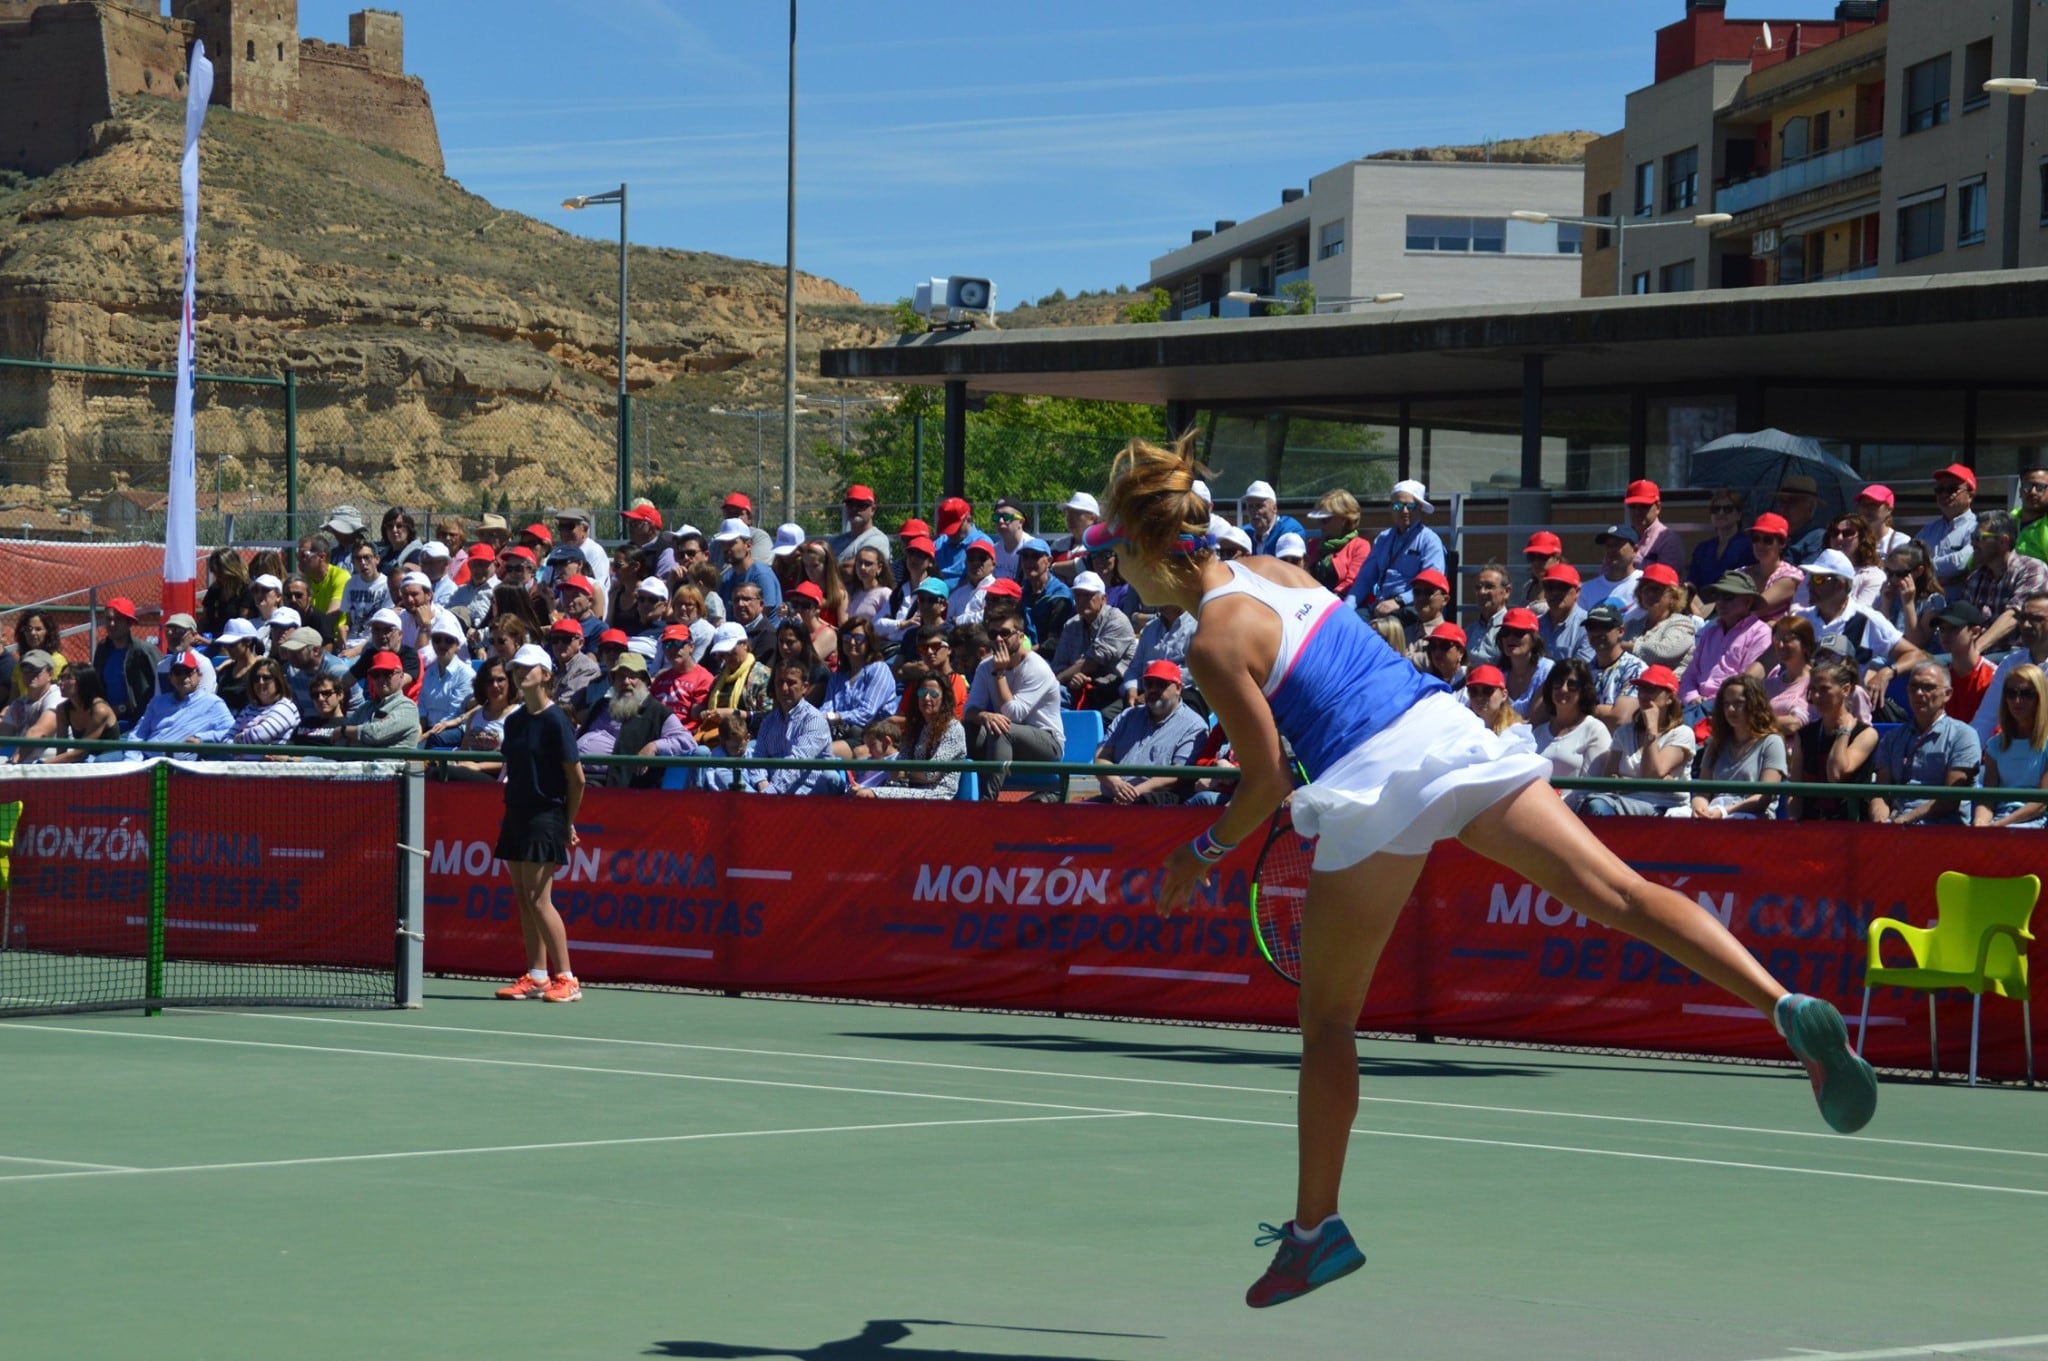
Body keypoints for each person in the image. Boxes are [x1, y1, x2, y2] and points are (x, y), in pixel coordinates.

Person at [1094, 439, 1872, 1311]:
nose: (1120, 577)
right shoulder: (1275, 567)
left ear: (1155, 552)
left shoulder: (1208, 641)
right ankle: (1782, 1004)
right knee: (1620, 893)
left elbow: (1268, 778)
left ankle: (1316, 1232)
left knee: (1329, 1020)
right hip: (1447, 732)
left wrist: (1195, 851)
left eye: (1118, 558)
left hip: (1373, 780)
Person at [491, 644, 585, 1004]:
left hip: (546, 816)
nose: (520, 673)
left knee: (539, 899)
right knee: (523, 898)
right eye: (516, 668)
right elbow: (513, 769)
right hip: (516, 812)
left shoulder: (556, 720)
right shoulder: (514, 721)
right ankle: (537, 976)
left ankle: (567, 978)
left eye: (528, 668)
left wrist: (567, 821)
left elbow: (576, 779)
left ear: (546, 675)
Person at [964, 600, 1064, 800]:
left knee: (1002, 729)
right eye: (993, 634)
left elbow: (1014, 715)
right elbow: (970, 710)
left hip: (1047, 744)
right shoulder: (985, 667)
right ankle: (947, 792)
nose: (999, 639)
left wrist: (1000, 674)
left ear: (1020, 635)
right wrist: (984, 716)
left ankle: (987, 801)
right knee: (965, 729)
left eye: (1005, 633)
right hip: (1006, 740)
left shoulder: (1037, 667)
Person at [1870, 662, 1981, 826]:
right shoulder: (1892, 738)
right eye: (1913, 687)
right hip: (1896, 827)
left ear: (1947, 694)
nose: (1919, 693)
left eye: (1928, 687)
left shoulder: (1963, 736)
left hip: (1940, 831)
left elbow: (1951, 798)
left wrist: (1905, 820)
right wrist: (1880, 821)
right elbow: (1881, 791)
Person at [1088, 660, 1209, 805]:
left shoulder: (1194, 726)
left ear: (1178, 688)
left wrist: (1134, 793)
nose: (1153, 689)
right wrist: (1116, 783)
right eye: (1149, 684)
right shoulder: (1127, 716)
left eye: (1161, 684)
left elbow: (1178, 774)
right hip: (1112, 798)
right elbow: (1101, 758)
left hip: (1155, 805)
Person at [1580, 666, 1694, 817]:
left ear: (1670, 698)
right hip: (1622, 802)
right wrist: (1646, 782)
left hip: (1662, 807)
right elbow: (1608, 779)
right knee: (1593, 804)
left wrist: (1651, 730)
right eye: (1641, 689)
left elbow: (1652, 775)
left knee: (1598, 806)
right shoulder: (1624, 732)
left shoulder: (1682, 733)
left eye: (1651, 689)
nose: (1644, 695)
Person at [1787, 659, 1878, 823]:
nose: (1816, 696)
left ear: (1845, 690)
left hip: (1849, 825)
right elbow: (1795, 790)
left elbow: (1835, 775)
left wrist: (1844, 732)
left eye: (1824, 690)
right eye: (1813, 690)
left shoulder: (1866, 734)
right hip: (1811, 823)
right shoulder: (1805, 734)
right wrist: (1793, 823)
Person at [855, 671, 966, 800]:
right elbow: (901, 762)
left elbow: (931, 773)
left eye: (934, 694)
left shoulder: (953, 728)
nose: (927, 698)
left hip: (937, 793)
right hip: (909, 787)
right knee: (858, 792)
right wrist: (901, 772)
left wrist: (905, 772)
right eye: (922, 693)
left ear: (944, 698)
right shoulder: (915, 728)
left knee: (868, 795)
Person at [1678, 571, 1771, 722]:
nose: (1720, 602)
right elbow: (1690, 674)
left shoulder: (1761, 633)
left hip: (1731, 711)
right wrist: (1692, 698)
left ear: (1747, 602)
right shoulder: (1710, 632)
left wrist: (1709, 703)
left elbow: (1747, 683)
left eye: (1728, 597)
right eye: (1718, 596)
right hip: (1695, 707)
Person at [1689, 676, 1786, 820]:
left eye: (1739, 703)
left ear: (1755, 704)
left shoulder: (1772, 743)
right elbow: (1703, 793)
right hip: (1714, 812)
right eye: (1726, 704)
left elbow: (1764, 797)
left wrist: (1723, 812)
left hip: (1752, 817)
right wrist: (1699, 809)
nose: (1730, 709)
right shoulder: (1715, 744)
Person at [1346, 481, 1443, 618]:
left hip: (1412, 606)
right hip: (1380, 604)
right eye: (1398, 506)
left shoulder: (1430, 541)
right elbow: (1365, 579)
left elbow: (1431, 584)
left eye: (1410, 506)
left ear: (1420, 507)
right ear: (1391, 509)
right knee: (1350, 623)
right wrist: (1346, 608)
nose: (1404, 511)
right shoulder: (1383, 539)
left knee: (1385, 627)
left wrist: (1399, 601)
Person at [1051, 570, 1137, 715]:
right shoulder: (1071, 625)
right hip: (1078, 689)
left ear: (1103, 598)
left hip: (1113, 690)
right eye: (1078, 595)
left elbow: (1092, 662)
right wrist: (1071, 678)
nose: (1082, 600)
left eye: (1088, 595)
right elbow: (1058, 664)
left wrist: (1056, 681)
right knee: (1048, 701)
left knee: (1053, 694)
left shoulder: (1116, 620)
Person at [1973, 663, 2048, 829]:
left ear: (2040, 697)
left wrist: (2001, 825)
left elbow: (2042, 802)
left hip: (2038, 826)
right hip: (2001, 821)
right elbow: (1988, 800)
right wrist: (1980, 824)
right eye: (2011, 693)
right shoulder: (1994, 745)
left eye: (2026, 694)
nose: (2017, 700)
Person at [1961, 510, 2048, 653]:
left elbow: (2014, 615)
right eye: (1972, 537)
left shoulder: (2032, 570)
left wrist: (1974, 650)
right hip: (1982, 661)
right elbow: (1963, 621)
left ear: (2003, 541)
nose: (1973, 543)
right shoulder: (1975, 578)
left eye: (1979, 537)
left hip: (2019, 659)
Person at [747, 660, 838, 795]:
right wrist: (761, 783)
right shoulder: (769, 721)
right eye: (779, 682)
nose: (784, 688)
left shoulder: (814, 719)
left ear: (804, 687)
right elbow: (758, 756)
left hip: (807, 789)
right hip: (769, 788)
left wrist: (769, 793)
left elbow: (797, 762)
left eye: (791, 683)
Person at [1973, 591, 2048, 751]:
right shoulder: (2011, 664)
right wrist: (1966, 758)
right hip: (2018, 753)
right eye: (2023, 618)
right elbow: (1986, 718)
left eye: (2036, 619)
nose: (2026, 625)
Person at [1529, 659, 1610, 804]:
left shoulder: (1595, 731)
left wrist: (1555, 806)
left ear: (1583, 690)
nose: (1563, 689)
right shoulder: (1538, 733)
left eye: (1572, 685)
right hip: (1536, 808)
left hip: (1573, 813)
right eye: (1557, 683)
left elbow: (1589, 788)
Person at [123, 651, 233, 756]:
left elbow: (231, 731)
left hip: (182, 768)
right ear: (170, 677)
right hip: (147, 761)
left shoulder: (213, 703)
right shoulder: (157, 702)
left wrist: (202, 738)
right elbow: (138, 734)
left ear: (199, 675)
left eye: (188, 672)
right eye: (178, 672)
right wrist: (132, 761)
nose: (183, 677)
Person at [822, 620, 897, 755]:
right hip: (841, 733)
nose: (851, 642)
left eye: (858, 638)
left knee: (822, 753)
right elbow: (826, 709)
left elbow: (866, 713)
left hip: (871, 736)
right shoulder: (837, 677)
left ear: (869, 641)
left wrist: (836, 716)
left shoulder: (878, 669)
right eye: (846, 638)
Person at [697, 621, 770, 747]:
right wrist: (707, 714)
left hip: (749, 738)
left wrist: (736, 714)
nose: (727, 656)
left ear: (745, 645)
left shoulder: (763, 675)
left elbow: (769, 717)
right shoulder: (719, 679)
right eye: (723, 653)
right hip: (718, 737)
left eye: (730, 650)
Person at [1123, 602, 1198, 715]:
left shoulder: (1198, 627)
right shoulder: (1150, 628)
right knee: (1111, 713)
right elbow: (1135, 667)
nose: (1159, 600)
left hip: (1181, 692)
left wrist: (1155, 690)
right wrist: (1132, 690)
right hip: (1145, 690)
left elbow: (1193, 673)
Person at [1621, 563, 1696, 672]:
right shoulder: (1633, 625)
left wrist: (1624, 646)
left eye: (1657, 589)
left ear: (1673, 597)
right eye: (1646, 589)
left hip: (1670, 686)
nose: (1650, 594)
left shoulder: (1682, 623)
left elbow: (1665, 651)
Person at [1917, 463, 1979, 593]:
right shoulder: (1927, 530)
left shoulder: (1977, 527)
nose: (1944, 494)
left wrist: (1923, 569)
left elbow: (1961, 562)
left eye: (1952, 489)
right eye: (1939, 490)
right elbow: (1908, 560)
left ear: (1970, 495)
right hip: (1923, 605)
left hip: (1957, 606)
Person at [1583, 604, 1645, 730]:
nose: (1596, 633)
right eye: (1591, 627)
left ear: (1621, 631)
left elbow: (1620, 719)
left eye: (1604, 627)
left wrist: (1581, 710)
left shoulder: (1636, 668)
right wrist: (1607, 710)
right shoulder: (1584, 671)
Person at [417, 616, 476, 748]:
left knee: (431, 739)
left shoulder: (466, 674)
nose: (442, 645)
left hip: (455, 728)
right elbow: (422, 709)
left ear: (457, 646)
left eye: (448, 640)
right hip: (431, 729)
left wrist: (423, 736)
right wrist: (419, 732)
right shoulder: (429, 672)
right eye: (437, 640)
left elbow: (454, 714)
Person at [1932, 602, 1995, 725]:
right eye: (1942, 629)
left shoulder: (1993, 677)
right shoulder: (1940, 679)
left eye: (1954, 628)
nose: (1945, 634)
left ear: (1975, 632)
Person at [1877, 541, 1944, 651]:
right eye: (1889, 572)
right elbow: (1880, 636)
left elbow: (1916, 644)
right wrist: (1886, 604)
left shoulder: (1933, 601)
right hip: (1891, 653)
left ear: (1919, 571)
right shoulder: (1890, 593)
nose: (1893, 579)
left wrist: (1908, 604)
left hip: (1920, 658)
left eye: (1900, 574)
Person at [42, 666, 118, 764]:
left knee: (98, 761)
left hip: (108, 757)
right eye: (61, 677)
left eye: (67, 678)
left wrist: (43, 763)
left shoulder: (100, 710)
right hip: (86, 758)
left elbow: (81, 752)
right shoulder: (62, 710)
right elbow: (61, 750)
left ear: (83, 681)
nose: (60, 683)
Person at [1688, 489, 1753, 598]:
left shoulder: (1749, 546)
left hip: (1734, 604)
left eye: (1727, 509)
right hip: (1702, 608)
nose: (1721, 513)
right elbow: (1692, 583)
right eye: (1715, 509)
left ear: (1739, 515)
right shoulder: (1702, 549)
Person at [225, 659, 300, 754]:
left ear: (277, 680)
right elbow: (226, 740)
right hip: (241, 766)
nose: (260, 682)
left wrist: (238, 738)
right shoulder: (249, 709)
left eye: (266, 678)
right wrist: (239, 743)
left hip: (269, 767)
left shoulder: (285, 707)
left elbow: (259, 736)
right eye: (256, 678)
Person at [1812, 514, 1885, 610]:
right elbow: (1798, 605)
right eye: (1834, 533)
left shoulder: (1874, 576)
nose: (1839, 538)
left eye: (1848, 533)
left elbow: (1860, 615)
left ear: (1862, 538)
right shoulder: (1816, 570)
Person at [0, 650, 61, 763]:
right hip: (26, 766)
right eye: (26, 670)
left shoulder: (57, 696)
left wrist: (14, 763)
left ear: (50, 674)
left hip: (50, 767)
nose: (30, 674)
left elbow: (39, 732)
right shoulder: (18, 703)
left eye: (36, 670)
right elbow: (3, 734)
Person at [1762, 616, 1816, 736]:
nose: (1780, 645)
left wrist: (1755, 722)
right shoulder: (1768, 685)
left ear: (1806, 644)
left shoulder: (1816, 682)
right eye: (1777, 638)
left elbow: (1795, 724)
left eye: (1788, 639)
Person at [1493, 607, 1551, 720]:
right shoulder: (1498, 673)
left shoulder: (1547, 671)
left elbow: (1533, 722)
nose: (1510, 638)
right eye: (1505, 632)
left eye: (1518, 633)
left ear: (1534, 639)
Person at [716, 516, 782, 614]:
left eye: (731, 543)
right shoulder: (727, 578)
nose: (726, 548)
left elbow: (761, 616)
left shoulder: (761, 576)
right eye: (723, 543)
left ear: (748, 545)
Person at [1307, 490, 1368, 595]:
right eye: (1318, 520)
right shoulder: (1313, 544)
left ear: (1344, 519)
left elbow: (1352, 581)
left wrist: (1329, 600)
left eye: (1325, 520)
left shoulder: (1360, 546)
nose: (1320, 525)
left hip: (1341, 602)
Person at [1017, 538, 1075, 647]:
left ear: (1049, 561)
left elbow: (1055, 642)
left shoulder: (1060, 596)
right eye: (1025, 556)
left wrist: (1025, 654)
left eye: (1035, 556)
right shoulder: (1022, 593)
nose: (1029, 561)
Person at [1462, 664, 1533, 752]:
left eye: (1487, 690)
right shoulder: (1468, 728)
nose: (1479, 697)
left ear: (1504, 695)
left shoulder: (1516, 732)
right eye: (1473, 691)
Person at [1745, 512, 1802, 622]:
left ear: (1782, 543)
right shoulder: (1742, 572)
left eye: (1767, 540)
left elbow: (1757, 608)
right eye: (1755, 538)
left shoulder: (1791, 576)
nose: (1760, 545)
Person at [1534, 564, 1593, 663]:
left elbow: (1580, 669)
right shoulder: (1535, 625)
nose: (1555, 593)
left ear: (1577, 592)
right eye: (1549, 587)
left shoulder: (1589, 626)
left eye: (1562, 587)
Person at [932, 497, 993, 589]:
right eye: (946, 528)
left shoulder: (982, 543)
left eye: (955, 528)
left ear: (969, 519)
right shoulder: (940, 542)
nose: (950, 533)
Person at [1624, 479, 1685, 573]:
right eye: (1632, 506)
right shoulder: (1621, 538)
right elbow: (1607, 574)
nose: (1637, 511)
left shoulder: (1668, 540)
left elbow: (1666, 581)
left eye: (1644, 506)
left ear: (1658, 507)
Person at [1239, 479, 1306, 559]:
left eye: (1259, 506)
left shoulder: (1290, 530)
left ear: (1274, 508)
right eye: (1250, 506)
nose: (1254, 511)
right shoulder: (1245, 534)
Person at [1463, 564, 1512, 667]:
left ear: (1506, 592)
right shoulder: (1469, 631)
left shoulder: (1512, 630)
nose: (1482, 592)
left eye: (1489, 586)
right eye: (1478, 587)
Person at [199, 545, 252, 639]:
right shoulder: (214, 589)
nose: (218, 576)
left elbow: (243, 621)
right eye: (215, 572)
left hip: (234, 641)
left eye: (220, 573)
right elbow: (204, 619)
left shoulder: (246, 589)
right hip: (211, 638)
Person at [1585, 524, 1641, 611]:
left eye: (1617, 545)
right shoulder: (1587, 590)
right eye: (1608, 546)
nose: (1611, 550)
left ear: (1635, 550)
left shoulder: (1645, 585)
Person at [1774, 475, 1824, 564]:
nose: (1784, 508)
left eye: (1792, 502)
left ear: (1811, 507)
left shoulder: (1818, 538)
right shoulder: (1773, 535)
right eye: (1781, 501)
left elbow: (1806, 575)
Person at [947, 539, 998, 625]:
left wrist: (959, 620)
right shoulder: (958, 594)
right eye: (971, 558)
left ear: (993, 565)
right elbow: (947, 619)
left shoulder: (997, 590)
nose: (976, 562)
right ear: (966, 563)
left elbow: (990, 616)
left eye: (982, 558)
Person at [1856, 485, 1912, 558]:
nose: (1867, 509)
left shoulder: (1901, 542)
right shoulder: (1851, 539)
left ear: (1889, 510)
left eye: (1873, 504)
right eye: (1863, 504)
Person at [845, 545, 895, 624]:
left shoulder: (885, 593)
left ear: (879, 568)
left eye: (868, 564)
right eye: (859, 563)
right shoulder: (855, 594)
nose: (862, 567)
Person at [2015, 463, 2048, 567]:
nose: (2033, 492)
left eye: (2040, 487)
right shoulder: (2007, 520)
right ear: (2020, 492)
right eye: (2027, 486)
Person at [1418, 623, 1466, 688]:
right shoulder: (1428, 684)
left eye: (1444, 646)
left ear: (1460, 652)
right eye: (1433, 646)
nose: (1437, 652)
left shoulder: (1472, 686)